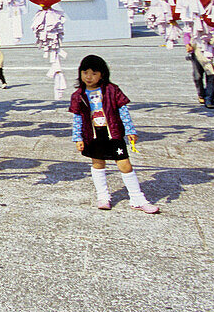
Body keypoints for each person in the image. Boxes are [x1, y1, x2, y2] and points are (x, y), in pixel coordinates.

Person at [68, 54, 159, 214]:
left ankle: (137, 198)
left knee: (125, 164)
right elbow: (77, 118)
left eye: (94, 73)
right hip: (93, 136)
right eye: (85, 72)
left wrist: (130, 130)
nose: (89, 77)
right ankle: (103, 196)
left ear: (102, 74)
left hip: (113, 135)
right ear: (80, 73)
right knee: (98, 164)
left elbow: (123, 111)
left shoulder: (111, 90)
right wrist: (77, 138)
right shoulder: (78, 96)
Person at [186, 42, 214, 108]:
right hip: (197, 51)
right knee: (197, 76)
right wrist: (187, 44)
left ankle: (209, 99)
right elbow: (187, 33)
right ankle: (201, 94)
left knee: (211, 75)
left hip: (211, 51)